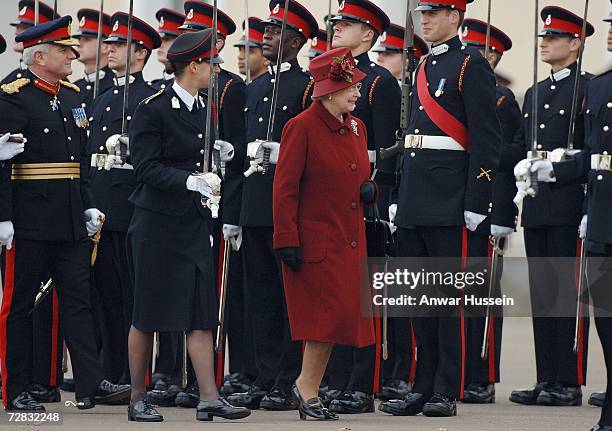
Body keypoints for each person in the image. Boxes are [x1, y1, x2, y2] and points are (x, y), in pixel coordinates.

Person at [0, 15, 131, 412]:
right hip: (31, 217)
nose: (71, 55)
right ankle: (16, 387)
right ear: (38, 56)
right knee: (20, 304)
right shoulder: (13, 95)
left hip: (71, 217)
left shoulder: (72, 95)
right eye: (62, 50)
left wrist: (89, 203)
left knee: (78, 301)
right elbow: (4, 163)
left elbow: (80, 161)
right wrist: (3, 216)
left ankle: (91, 383)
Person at [379, 0, 501, 418]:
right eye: (421, 14)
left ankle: (447, 387)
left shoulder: (472, 65)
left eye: (433, 13)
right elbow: (410, 138)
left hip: (450, 200)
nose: (425, 21)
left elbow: (487, 139)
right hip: (416, 198)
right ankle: (423, 383)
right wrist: (397, 197)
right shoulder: (424, 67)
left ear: (455, 16)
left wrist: (476, 201)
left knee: (449, 301)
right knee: (418, 298)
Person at [126, 27, 249, 423]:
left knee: (199, 311)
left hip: (193, 222)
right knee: (147, 312)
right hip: (157, 224)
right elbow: (145, 168)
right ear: (194, 65)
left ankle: (209, 396)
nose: (217, 71)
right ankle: (137, 397)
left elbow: (198, 155)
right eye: (212, 63)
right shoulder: (154, 107)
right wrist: (189, 180)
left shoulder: (205, 106)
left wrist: (218, 159)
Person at [518, 6, 612, 430]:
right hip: (538, 200)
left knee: (570, 298)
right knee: (543, 293)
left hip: (571, 202)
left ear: (576, 43)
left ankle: (569, 380)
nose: (544, 43)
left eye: (554, 38)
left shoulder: (587, 88)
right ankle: (547, 376)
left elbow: (592, 153)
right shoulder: (535, 93)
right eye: (543, 37)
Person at [224, 0, 318, 412]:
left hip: (289, 208)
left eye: (277, 32)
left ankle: (287, 378)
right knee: (258, 298)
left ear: (297, 40)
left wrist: (284, 153)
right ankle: (263, 376)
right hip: (254, 205)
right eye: (267, 30)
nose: (267, 37)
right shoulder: (255, 87)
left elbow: (317, 149)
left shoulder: (308, 86)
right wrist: (233, 215)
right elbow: (241, 161)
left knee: (287, 300)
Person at [273, 46, 375, 421]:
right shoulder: (301, 126)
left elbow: (356, 173)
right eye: (349, 87)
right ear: (328, 91)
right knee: (324, 319)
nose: (357, 92)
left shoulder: (356, 126)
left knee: (338, 319)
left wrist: (369, 190)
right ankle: (307, 388)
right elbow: (285, 190)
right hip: (315, 241)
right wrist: (286, 237)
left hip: (348, 237)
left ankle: (308, 387)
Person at [324, 0, 400, 414]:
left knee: (364, 294)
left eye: (347, 25)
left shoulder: (378, 83)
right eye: (336, 23)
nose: (337, 29)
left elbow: (387, 150)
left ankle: (362, 382)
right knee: (335, 292)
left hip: (365, 198)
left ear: (368, 35)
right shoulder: (327, 77)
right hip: (332, 198)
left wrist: (381, 198)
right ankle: (335, 378)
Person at [87, 11, 161, 388]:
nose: (110, 49)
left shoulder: (149, 99)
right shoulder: (101, 98)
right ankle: (107, 370)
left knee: (132, 297)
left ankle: (134, 375)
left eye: (120, 45)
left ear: (141, 53)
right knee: (103, 297)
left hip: (130, 212)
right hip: (100, 213)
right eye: (111, 43)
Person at [459, 18, 522, 404]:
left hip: (488, 207)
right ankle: (460, 371)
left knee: (483, 294)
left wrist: (501, 213)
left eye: (478, 51)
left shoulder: (501, 100)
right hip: (457, 201)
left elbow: (505, 159)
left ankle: (483, 374)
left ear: (493, 57)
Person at [2, 0, 54, 85]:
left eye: (24, 28)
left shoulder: (54, 80)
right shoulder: (7, 81)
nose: (16, 33)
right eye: (17, 28)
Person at [72, 9, 114, 110]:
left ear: (105, 46)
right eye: (79, 39)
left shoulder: (115, 86)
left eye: (86, 39)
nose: (79, 44)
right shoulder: (74, 88)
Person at [149, 8, 185, 91]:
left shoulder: (191, 87)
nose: (160, 45)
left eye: (167, 39)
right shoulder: (152, 87)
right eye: (160, 40)